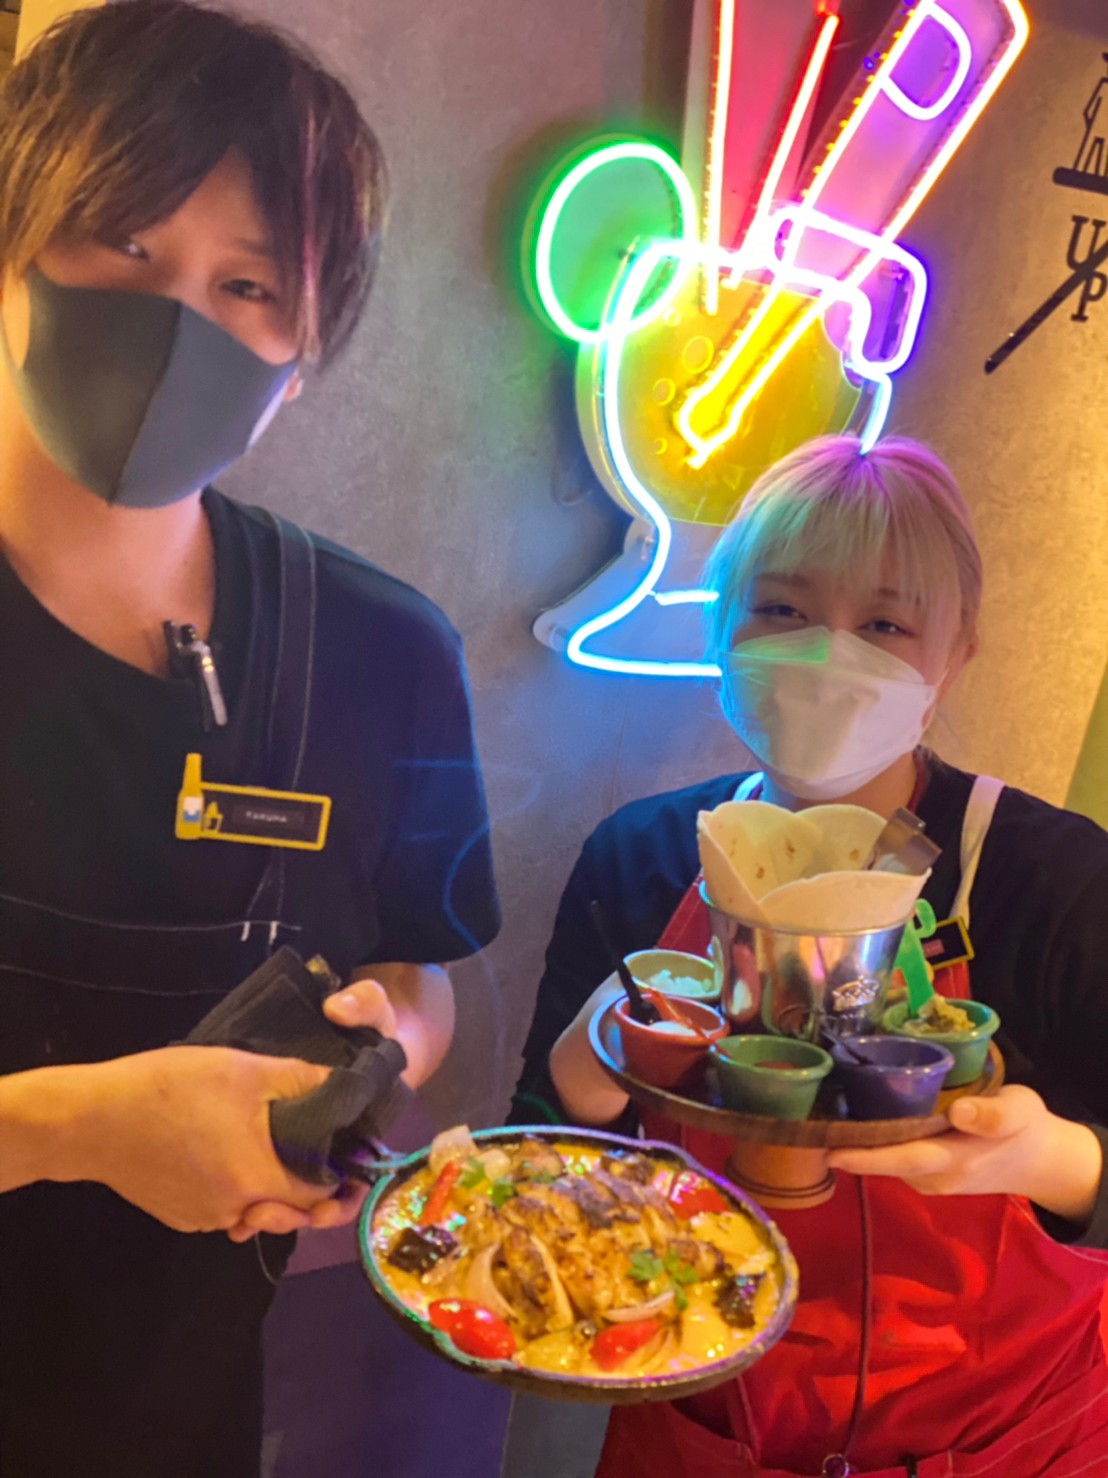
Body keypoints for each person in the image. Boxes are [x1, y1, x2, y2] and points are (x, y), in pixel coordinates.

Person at [0, 4, 499, 1475]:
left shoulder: (386, 653)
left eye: (247, 285)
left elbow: (422, 968)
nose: (176, 326)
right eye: (124, 244)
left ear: (302, 353)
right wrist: (72, 1125)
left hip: (186, 1415)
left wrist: (383, 1043)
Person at [511, 434, 1108, 1477]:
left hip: (1005, 1440)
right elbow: (544, 1165)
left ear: (954, 656)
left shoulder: (1053, 877)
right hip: (697, 1430)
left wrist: (1053, 1158)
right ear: (722, 630)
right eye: (781, 609)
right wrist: (583, 1068)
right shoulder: (642, 854)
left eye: (884, 624)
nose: (827, 653)